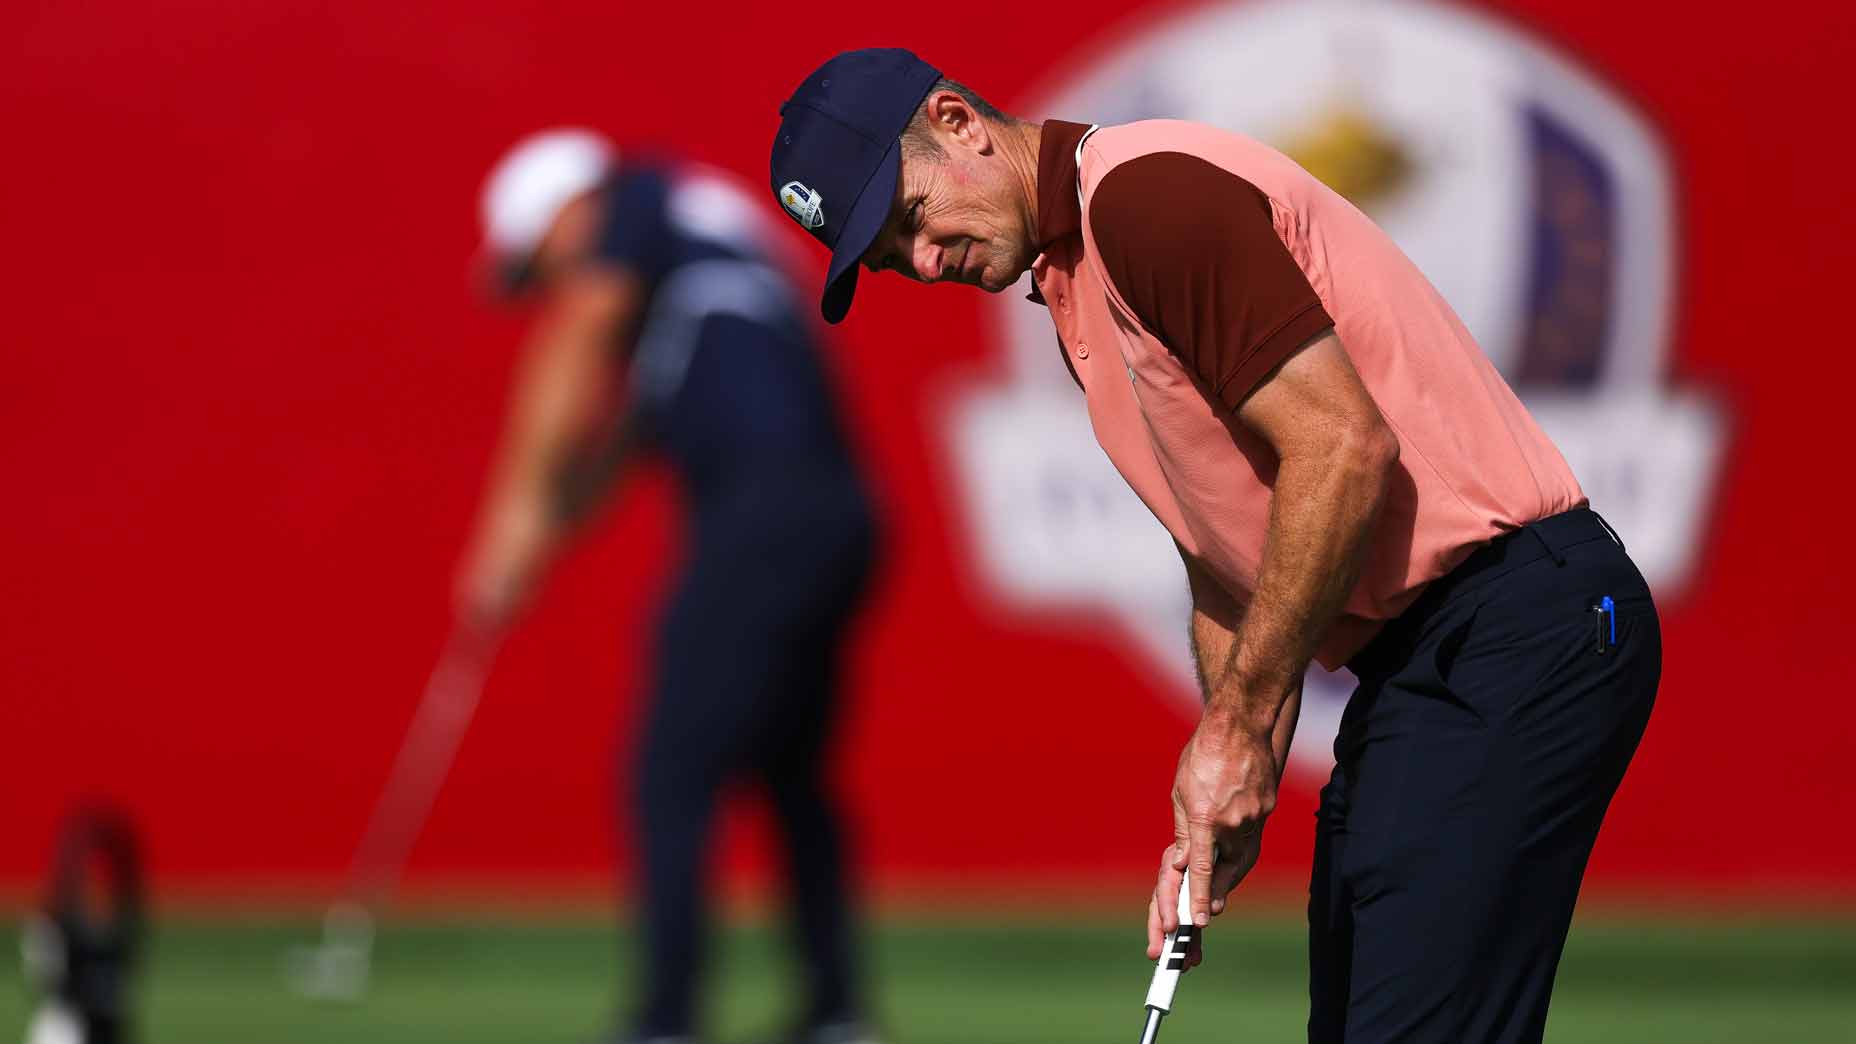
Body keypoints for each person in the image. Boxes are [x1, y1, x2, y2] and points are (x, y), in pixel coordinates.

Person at [767, 49, 1662, 1043]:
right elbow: (1225, 559)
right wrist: (1224, 782)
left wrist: (1239, 734)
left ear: (958, 122)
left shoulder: (1146, 203)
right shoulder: (1076, 284)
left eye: (912, 218)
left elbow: (1339, 448)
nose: (926, 263)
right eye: (895, 259)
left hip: (1514, 623)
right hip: (1431, 664)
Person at [462, 128, 883, 1044]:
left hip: (767, 523)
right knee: (787, 769)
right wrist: (547, 529)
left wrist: (510, 525)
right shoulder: (689, 282)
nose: (546, 295)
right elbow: (614, 453)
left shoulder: (639, 202)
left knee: (672, 772)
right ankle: (837, 1013)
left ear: (569, 216)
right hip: (834, 521)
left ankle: (666, 1019)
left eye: (538, 268)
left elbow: (578, 335)